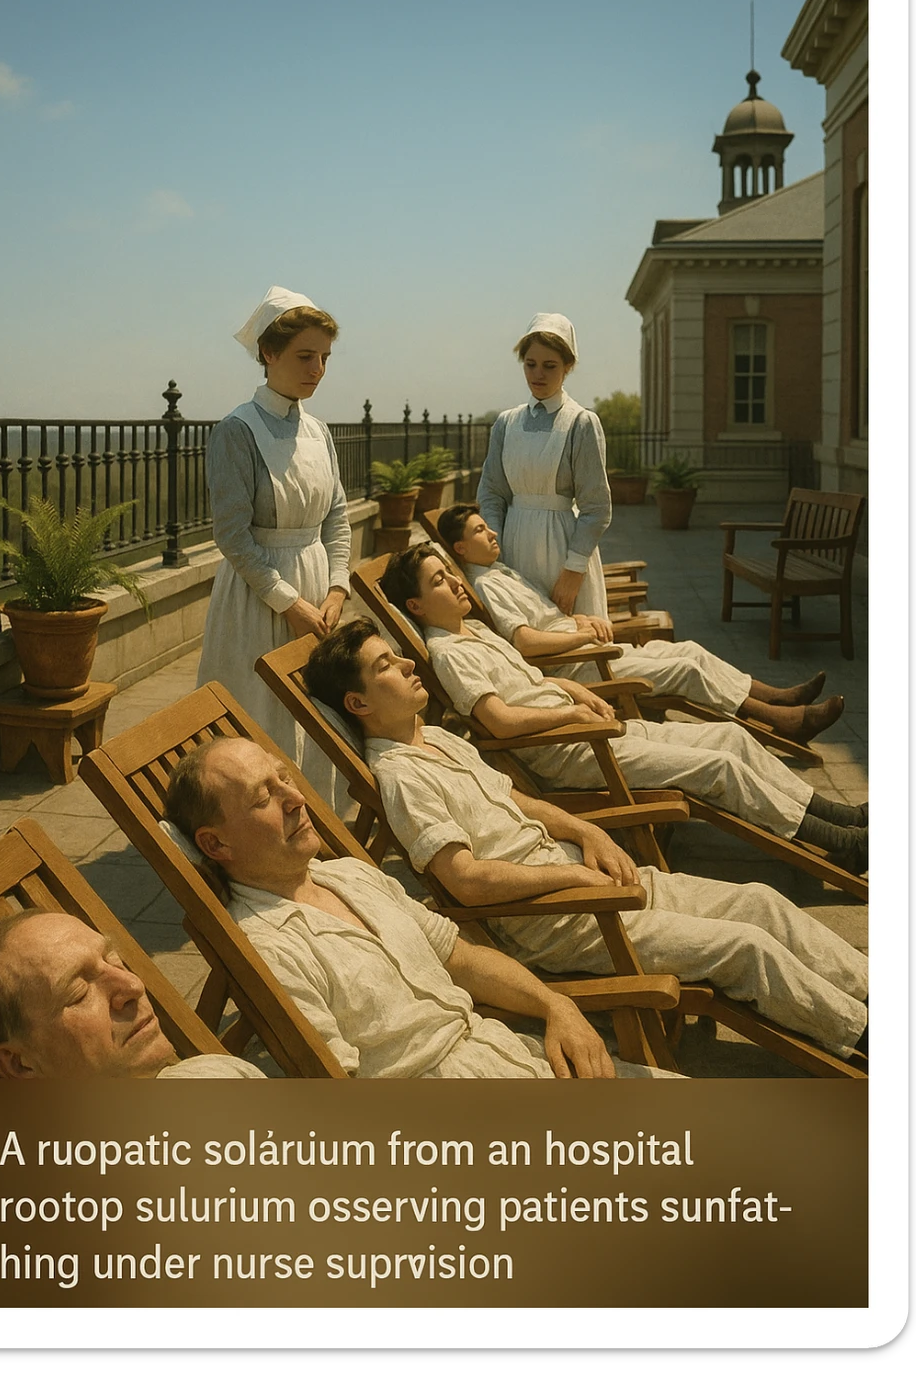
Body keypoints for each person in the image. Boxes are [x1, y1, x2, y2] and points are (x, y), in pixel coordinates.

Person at [302, 620, 869, 1063]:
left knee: (760, 901)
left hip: (590, 882)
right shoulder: (404, 778)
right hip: (561, 919)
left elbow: (519, 802)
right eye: (387, 665)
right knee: (747, 947)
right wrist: (573, 876)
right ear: (359, 703)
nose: (407, 662)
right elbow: (467, 882)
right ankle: (862, 1034)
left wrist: (585, 829)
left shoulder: (440, 742)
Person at [164, 737, 682, 1080]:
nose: (295, 799)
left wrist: (556, 1007)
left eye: (285, 780)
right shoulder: (268, 947)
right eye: (263, 798)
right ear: (215, 846)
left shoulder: (350, 874)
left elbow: (458, 957)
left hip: (511, 1050)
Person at [379, 546, 868, 871]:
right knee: (718, 766)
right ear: (416, 606)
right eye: (439, 581)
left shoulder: (475, 631)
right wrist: (569, 716)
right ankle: (840, 846)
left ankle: (836, 816)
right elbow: (500, 721)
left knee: (733, 737)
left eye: (451, 573)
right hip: (570, 752)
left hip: (589, 729)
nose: (457, 584)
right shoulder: (448, 654)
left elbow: (526, 681)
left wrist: (573, 691)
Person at [437, 503, 844, 746]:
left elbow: (541, 618)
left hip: (584, 650)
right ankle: (783, 721)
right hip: (579, 664)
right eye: (480, 530)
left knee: (690, 652)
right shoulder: (487, 585)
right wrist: (580, 634)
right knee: (684, 670)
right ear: (460, 548)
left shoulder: (502, 571)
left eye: (487, 526)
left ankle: (778, 698)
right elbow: (524, 642)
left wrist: (577, 617)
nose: (492, 532)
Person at [197, 285, 350, 797]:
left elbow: (337, 519)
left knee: (314, 715)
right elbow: (233, 536)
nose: (318, 370)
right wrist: (289, 603)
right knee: (257, 712)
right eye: (306, 356)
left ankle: (315, 828)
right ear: (268, 353)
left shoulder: (318, 432)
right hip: (259, 595)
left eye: (325, 357)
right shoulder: (236, 431)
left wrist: (335, 591)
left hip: (315, 591)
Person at [0, 909, 266, 1080]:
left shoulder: (215, 1073)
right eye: (79, 991)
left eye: (111, 958)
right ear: (20, 1064)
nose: (133, 986)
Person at [478, 312, 611, 619]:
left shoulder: (580, 423)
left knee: (569, 638)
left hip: (562, 552)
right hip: (512, 550)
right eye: (530, 364)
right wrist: (493, 553)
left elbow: (596, 508)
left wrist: (573, 572)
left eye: (549, 366)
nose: (538, 374)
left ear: (568, 367)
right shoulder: (506, 424)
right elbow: (491, 493)